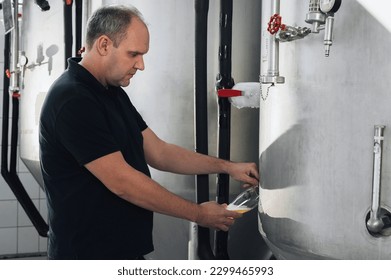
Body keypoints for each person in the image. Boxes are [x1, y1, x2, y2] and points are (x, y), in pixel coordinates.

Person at [39, 4, 259, 260]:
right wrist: (198, 214)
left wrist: (227, 167)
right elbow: (122, 182)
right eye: (134, 54)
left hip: (121, 251)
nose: (141, 65)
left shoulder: (111, 92)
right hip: (86, 256)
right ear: (103, 45)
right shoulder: (73, 99)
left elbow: (159, 152)